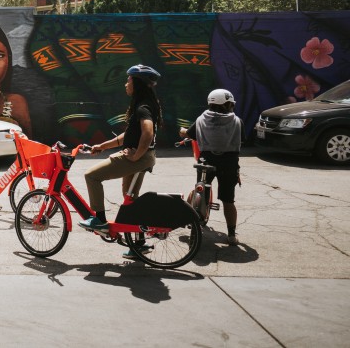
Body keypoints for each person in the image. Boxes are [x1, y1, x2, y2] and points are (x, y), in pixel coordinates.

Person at [79, 64, 162, 260]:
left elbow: (147, 132)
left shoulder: (142, 108)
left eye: (129, 80)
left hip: (138, 159)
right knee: (130, 200)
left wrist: (135, 156)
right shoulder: (146, 104)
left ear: (137, 84)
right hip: (146, 158)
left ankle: (99, 220)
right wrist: (102, 146)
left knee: (91, 176)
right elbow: (128, 136)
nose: (126, 84)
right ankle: (139, 245)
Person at [180, 89, 243, 245]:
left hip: (205, 162)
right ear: (226, 104)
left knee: (201, 191)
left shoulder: (201, 119)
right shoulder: (237, 121)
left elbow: (189, 133)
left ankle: (195, 218)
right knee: (228, 200)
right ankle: (231, 235)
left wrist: (182, 131)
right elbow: (241, 142)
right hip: (229, 163)